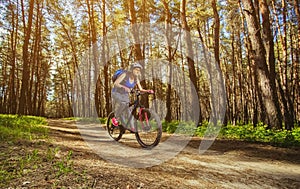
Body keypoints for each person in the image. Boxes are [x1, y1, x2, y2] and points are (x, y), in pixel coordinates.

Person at [111, 63, 153, 130]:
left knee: (129, 110)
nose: (138, 71)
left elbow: (141, 89)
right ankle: (115, 118)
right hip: (116, 93)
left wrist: (147, 91)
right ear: (132, 70)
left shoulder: (136, 79)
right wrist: (124, 87)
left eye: (139, 70)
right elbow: (116, 83)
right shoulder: (124, 75)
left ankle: (132, 128)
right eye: (136, 69)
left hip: (125, 95)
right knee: (123, 104)